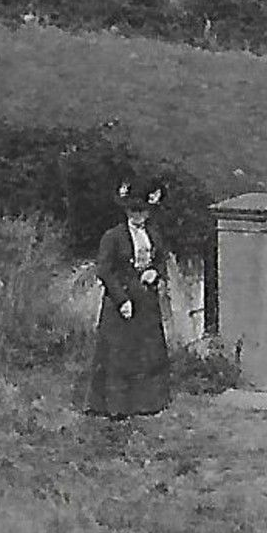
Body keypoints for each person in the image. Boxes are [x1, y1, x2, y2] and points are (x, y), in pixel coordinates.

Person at [86, 177, 171, 418]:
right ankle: (115, 406)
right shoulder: (113, 237)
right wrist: (121, 299)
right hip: (120, 302)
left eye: (142, 211)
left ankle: (147, 403)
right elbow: (104, 269)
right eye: (133, 210)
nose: (138, 215)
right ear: (126, 211)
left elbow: (161, 258)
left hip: (146, 301)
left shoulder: (153, 233)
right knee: (118, 354)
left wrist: (156, 272)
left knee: (147, 351)